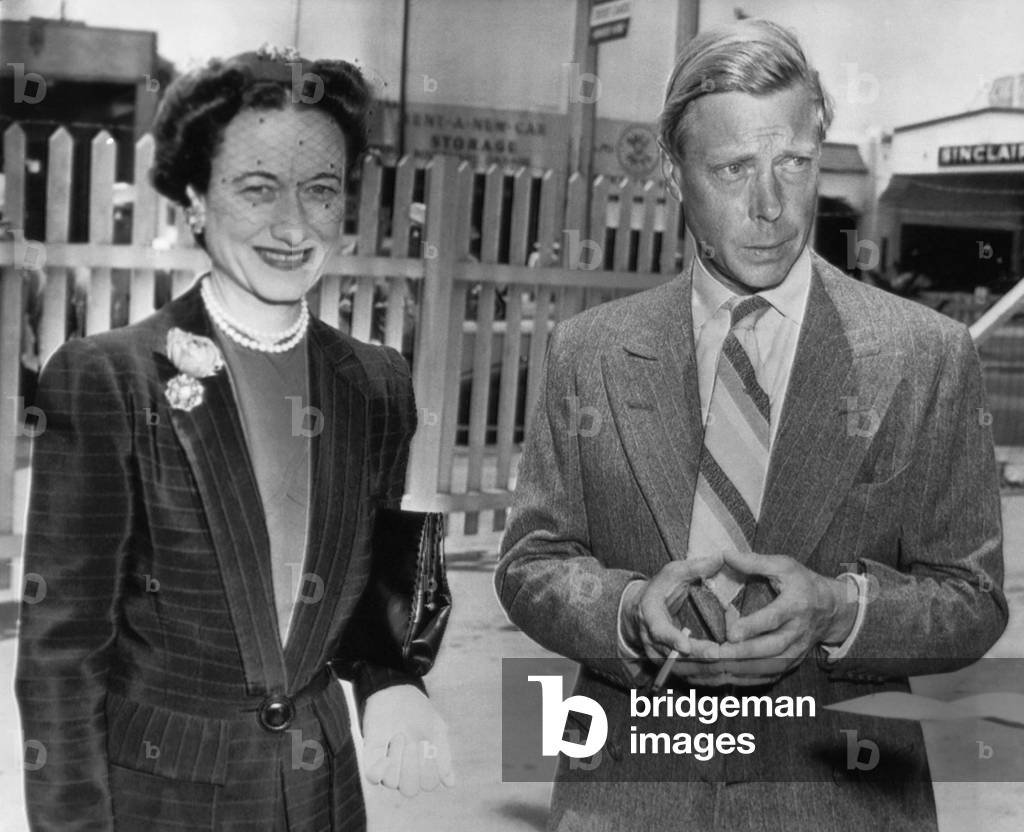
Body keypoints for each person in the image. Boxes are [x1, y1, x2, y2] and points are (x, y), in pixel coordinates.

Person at [495, 19, 1006, 832]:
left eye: (793, 163)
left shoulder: (926, 355)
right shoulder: (588, 352)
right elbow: (532, 563)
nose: (770, 206)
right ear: (675, 173)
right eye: (733, 169)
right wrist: (626, 611)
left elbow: (972, 598)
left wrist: (840, 610)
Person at [15, 45, 453, 832]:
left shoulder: (378, 383)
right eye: (257, 188)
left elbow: (379, 586)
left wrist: (392, 681)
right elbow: (62, 656)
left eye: (321, 190)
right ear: (194, 199)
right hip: (163, 800)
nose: (292, 224)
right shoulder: (109, 379)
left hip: (320, 796)